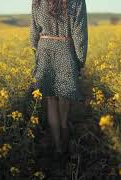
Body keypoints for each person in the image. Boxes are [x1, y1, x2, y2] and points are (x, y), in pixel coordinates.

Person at [30, 0, 88, 159]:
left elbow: (33, 32)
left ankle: (58, 147)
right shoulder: (76, 2)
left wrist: (37, 51)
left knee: (51, 100)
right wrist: (80, 61)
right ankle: (65, 139)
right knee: (64, 98)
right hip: (66, 49)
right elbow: (79, 33)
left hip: (44, 49)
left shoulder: (38, 1)